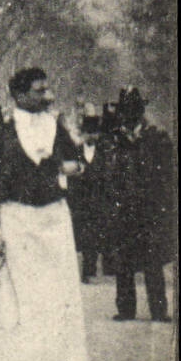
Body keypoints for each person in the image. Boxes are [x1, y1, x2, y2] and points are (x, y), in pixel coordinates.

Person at [0, 68, 88, 361]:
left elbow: (80, 162)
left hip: (52, 217)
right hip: (15, 218)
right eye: (38, 90)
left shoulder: (58, 129)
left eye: (47, 89)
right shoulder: (1, 136)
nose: (47, 96)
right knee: (11, 293)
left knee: (52, 292)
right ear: (19, 95)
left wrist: (68, 166)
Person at [107, 87, 175, 321]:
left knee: (152, 260)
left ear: (141, 110)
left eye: (133, 109)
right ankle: (126, 309)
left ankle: (158, 309)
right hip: (123, 207)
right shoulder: (114, 138)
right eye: (125, 109)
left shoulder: (156, 137)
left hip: (151, 207)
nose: (128, 114)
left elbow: (168, 174)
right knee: (123, 260)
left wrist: (165, 205)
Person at [68, 111, 113, 283]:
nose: (91, 136)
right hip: (82, 203)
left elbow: (109, 176)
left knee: (103, 235)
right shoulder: (76, 152)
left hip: (101, 201)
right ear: (82, 133)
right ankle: (88, 272)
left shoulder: (104, 152)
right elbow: (71, 179)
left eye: (94, 132)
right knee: (86, 238)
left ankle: (108, 273)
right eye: (88, 132)